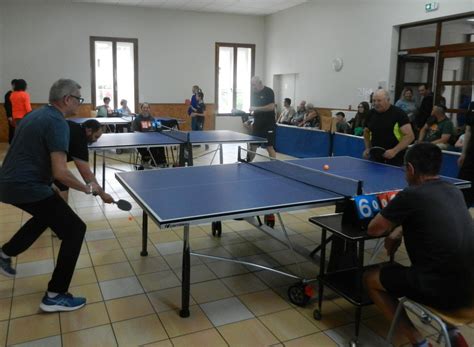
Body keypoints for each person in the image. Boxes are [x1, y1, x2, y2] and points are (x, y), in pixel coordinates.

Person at [0, 78, 102, 312]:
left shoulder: (36, 114)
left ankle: (5, 253)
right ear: (67, 99)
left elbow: (32, 154)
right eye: (79, 98)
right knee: (75, 230)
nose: (79, 103)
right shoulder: (57, 122)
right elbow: (61, 172)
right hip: (25, 185)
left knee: (47, 216)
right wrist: (88, 188)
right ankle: (55, 295)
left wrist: (49, 185)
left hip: (9, 182)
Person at [364, 143, 474, 347]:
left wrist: (393, 226)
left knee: (371, 278)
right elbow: (432, 218)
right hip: (471, 292)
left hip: (442, 293)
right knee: (447, 270)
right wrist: (400, 229)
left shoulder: (410, 194)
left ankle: (419, 342)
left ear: (411, 169)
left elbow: (374, 229)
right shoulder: (454, 191)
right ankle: (452, 332)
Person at [53, 119, 114, 204]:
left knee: (62, 185)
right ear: (89, 130)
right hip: (39, 164)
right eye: (96, 137)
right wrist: (103, 195)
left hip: (45, 160)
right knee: (61, 186)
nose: (95, 140)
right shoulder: (79, 139)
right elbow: (87, 175)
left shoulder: (74, 126)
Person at [363, 89, 415, 166]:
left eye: (379, 101)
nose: (376, 103)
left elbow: (410, 136)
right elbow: (366, 131)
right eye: (374, 101)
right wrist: (368, 148)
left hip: (396, 159)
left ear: (388, 100)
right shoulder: (370, 114)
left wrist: (394, 151)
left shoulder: (399, 114)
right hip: (376, 157)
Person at [248, 76, 277, 160]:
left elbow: (271, 107)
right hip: (258, 124)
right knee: (253, 146)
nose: (253, 87)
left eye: (254, 85)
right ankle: (247, 165)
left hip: (268, 124)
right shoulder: (254, 93)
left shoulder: (269, 91)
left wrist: (256, 108)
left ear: (260, 83)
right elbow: (254, 108)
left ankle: (274, 166)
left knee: (269, 147)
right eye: (251, 85)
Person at [132, 102, 167, 167]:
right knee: (146, 148)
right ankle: (146, 161)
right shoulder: (137, 119)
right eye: (144, 107)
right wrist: (143, 135)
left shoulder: (152, 118)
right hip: (140, 140)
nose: (146, 109)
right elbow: (135, 132)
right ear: (141, 109)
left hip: (152, 139)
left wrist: (158, 128)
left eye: (147, 108)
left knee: (160, 146)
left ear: (149, 109)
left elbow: (155, 129)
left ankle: (160, 162)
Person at [458, 105, 474, 207]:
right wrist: (463, 153)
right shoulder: (472, 106)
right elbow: (468, 131)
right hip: (471, 152)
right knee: (464, 183)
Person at [3, 79, 17, 143]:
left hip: (19, 116)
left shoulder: (20, 94)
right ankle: (11, 145)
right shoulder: (8, 94)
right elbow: (7, 106)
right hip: (12, 115)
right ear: (13, 85)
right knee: (12, 130)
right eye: (15, 85)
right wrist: (9, 116)